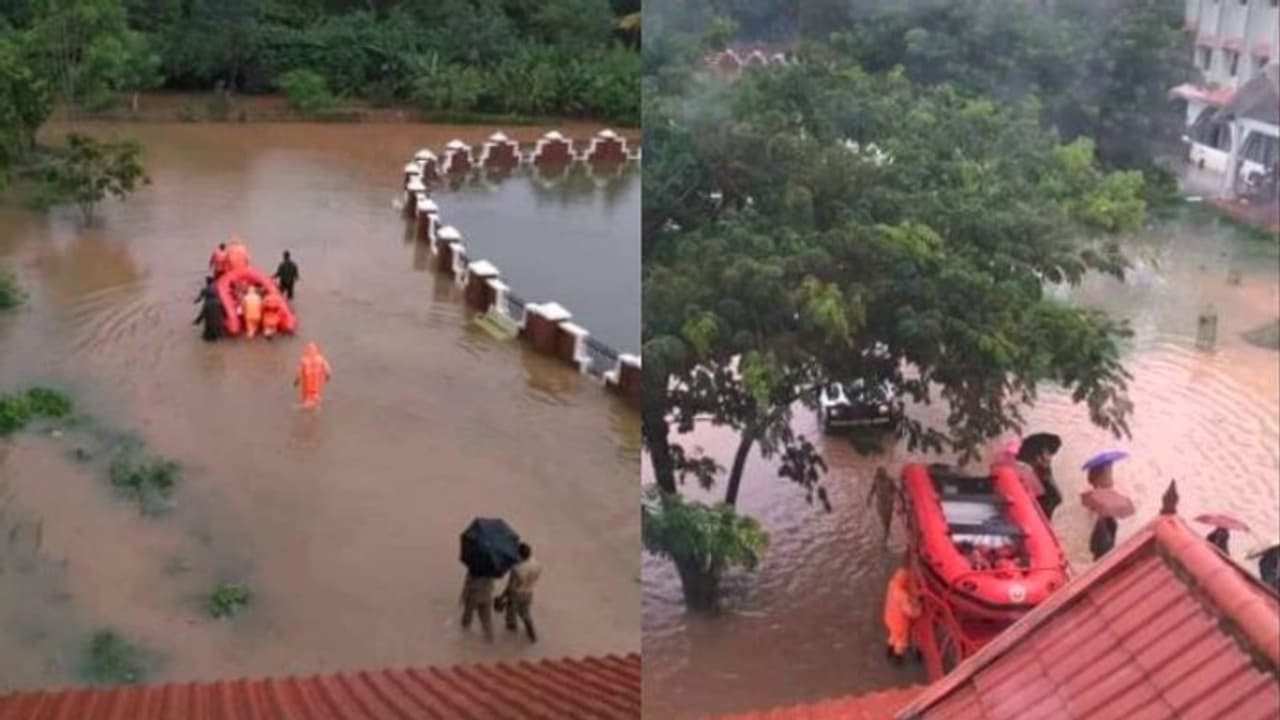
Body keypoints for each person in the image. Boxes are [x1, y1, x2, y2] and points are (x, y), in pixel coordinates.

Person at [499, 542, 542, 642]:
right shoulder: (537, 564)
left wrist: (502, 597)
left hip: (516, 594)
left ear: (520, 555)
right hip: (529, 592)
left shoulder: (517, 568)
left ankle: (511, 636)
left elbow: (510, 586)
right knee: (526, 614)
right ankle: (532, 635)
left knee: (510, 615)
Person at [883, 561, 921, 666]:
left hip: (889, 617)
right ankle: (897, 660)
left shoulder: (892, 584)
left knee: (893, 635)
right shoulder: (903, 596)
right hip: (900, 623)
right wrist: (918, 610)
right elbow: (910, 612)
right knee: (901, 643)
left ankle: (888, 652)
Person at [459, 571, 496, 642]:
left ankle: (463, 639)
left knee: (467, 618)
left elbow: (467, 585)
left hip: (473, 596)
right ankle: (490, 642)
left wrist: (463, 597)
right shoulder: (491, 571)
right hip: (486, 597)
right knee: (487, 622)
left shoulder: (473, 570)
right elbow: (492, 587)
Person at [294, 342, 332, 408]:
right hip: (316, 391)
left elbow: (298, 373)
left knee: (305, 404)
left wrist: (296, 381)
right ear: (317, 350)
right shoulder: (320, 359)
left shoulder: (303, 360)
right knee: (316, 401)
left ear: (306, 350)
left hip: (306, 392)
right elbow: (328, 369)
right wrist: (327, 376)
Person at [867, 466, 896, 545]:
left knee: (888, 520)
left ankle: (886, 534)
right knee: (883, 520)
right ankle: (886, 535)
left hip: (889, 503)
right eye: (881, 473)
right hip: (880, 503)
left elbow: (895, 490)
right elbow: (872, 490)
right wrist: (869, 499)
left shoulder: (890, 480)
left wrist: (893, 498)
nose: (884, 474)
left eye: (884, 472)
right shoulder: (876, 480)